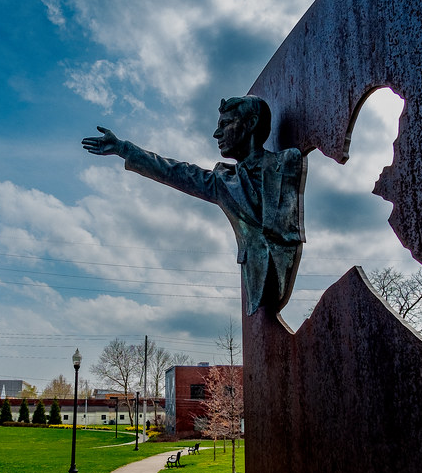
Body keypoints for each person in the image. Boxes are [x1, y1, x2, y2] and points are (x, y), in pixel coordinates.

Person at [82, 96, 305, 315]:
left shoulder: (287, 162)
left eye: (225, 124)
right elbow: (174, 171)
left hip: (281, 269)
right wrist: (124, 149)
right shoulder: (223, 182)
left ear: (251, 123)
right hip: (256, 277)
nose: (217, 134)